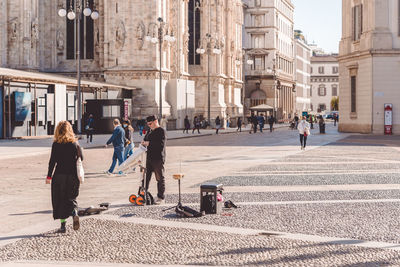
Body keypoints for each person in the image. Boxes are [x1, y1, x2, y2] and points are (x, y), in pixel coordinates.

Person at [46, 121, 82, 233]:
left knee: (60, 200)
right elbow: (82, 158)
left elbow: (52, 162)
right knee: (71, 197)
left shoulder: (56, 144)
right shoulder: (75, 144)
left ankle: (63, 226)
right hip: (72, 176)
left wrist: (49, 176)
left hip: (59, 176)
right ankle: (74, 213)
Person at [142, 115, 166, 205]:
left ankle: (160, 196)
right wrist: (144, 143)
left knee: (159, 177)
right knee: (146, 177)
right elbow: (145, 139)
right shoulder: (149, 131)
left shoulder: (161, 131)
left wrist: (149, 143)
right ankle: (143, 194)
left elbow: (160, 145)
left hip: (158, 158)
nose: (149, 125)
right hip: (149, 157)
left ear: (155, 121)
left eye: (150, 123)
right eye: (147, 124)